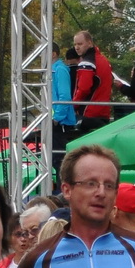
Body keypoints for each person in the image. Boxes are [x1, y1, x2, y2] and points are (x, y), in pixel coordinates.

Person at [71, 31, 114, 135]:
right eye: (75, 44)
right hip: (104, 112)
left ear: (90, 43)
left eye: (80, 44)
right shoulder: (104, 60)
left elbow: (83, 89)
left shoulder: (87, 63)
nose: (77, 47)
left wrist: (72, 106)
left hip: (88, 113)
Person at [50, 46, 78, 185]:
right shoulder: (53, 70)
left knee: (60, 159)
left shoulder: (59, 70)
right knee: (55, 159)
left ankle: (62, 192)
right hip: (55, 121)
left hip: (60, 122)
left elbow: (65, 96)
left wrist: (57, 118)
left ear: (53, 54)